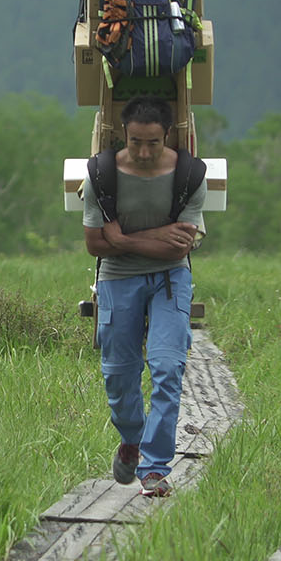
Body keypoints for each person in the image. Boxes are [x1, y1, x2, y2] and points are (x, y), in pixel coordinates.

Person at [82, 97, 207, 497]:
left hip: (171, 279)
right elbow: (94, 245)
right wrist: (150, 238)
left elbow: (179, 249)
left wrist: (123, 238)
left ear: (167, 136)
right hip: (119, 280)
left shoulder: (189, 174)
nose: (144, 151)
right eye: (136, 141)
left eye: (153, 142)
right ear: (124, 135)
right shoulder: (102, 175)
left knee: (168, 368)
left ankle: (155, 468)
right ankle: (132, 440)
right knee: (119, 375)